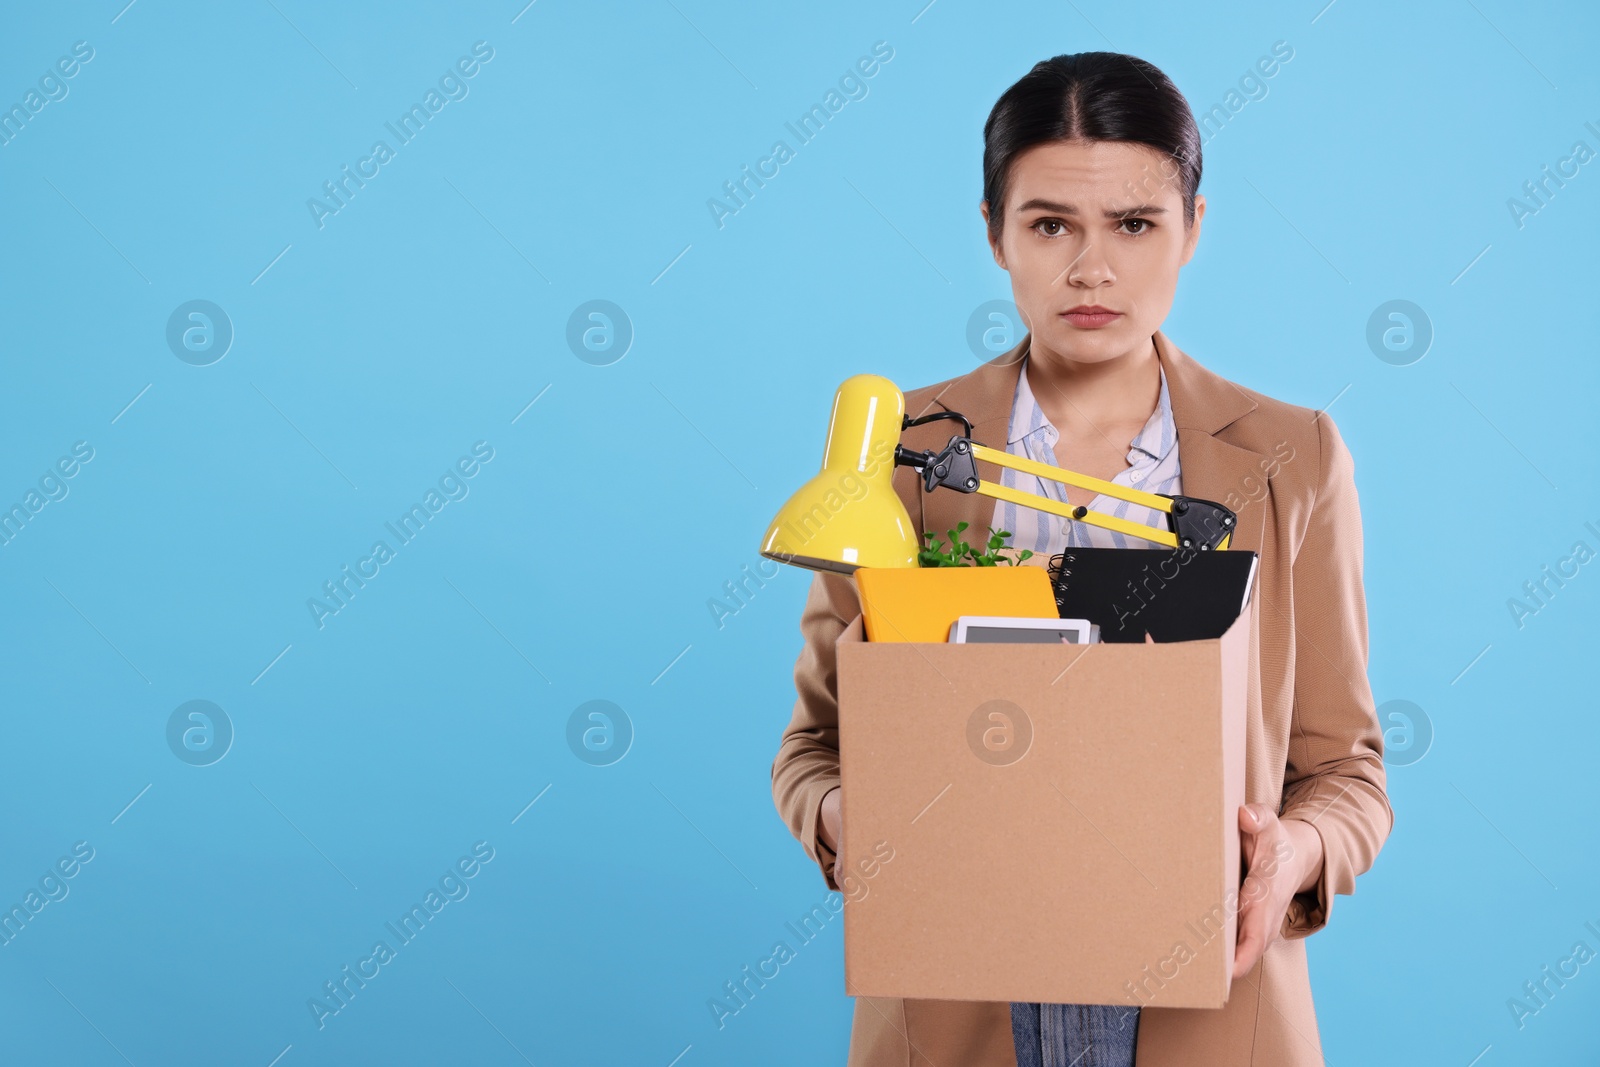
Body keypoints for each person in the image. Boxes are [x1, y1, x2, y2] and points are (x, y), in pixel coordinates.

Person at [770, 51, 1393, 1067]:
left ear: (1193, 228)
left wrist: (1295, 851)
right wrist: (859, 817)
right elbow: (814, 749)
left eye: (1134, 225)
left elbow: (1346, 769)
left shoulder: (1293, 457)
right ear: (993, 232)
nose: (1091, 268)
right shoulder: (901, 454)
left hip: (1211, 1010)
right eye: (1050, 223)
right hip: (959, 1002)